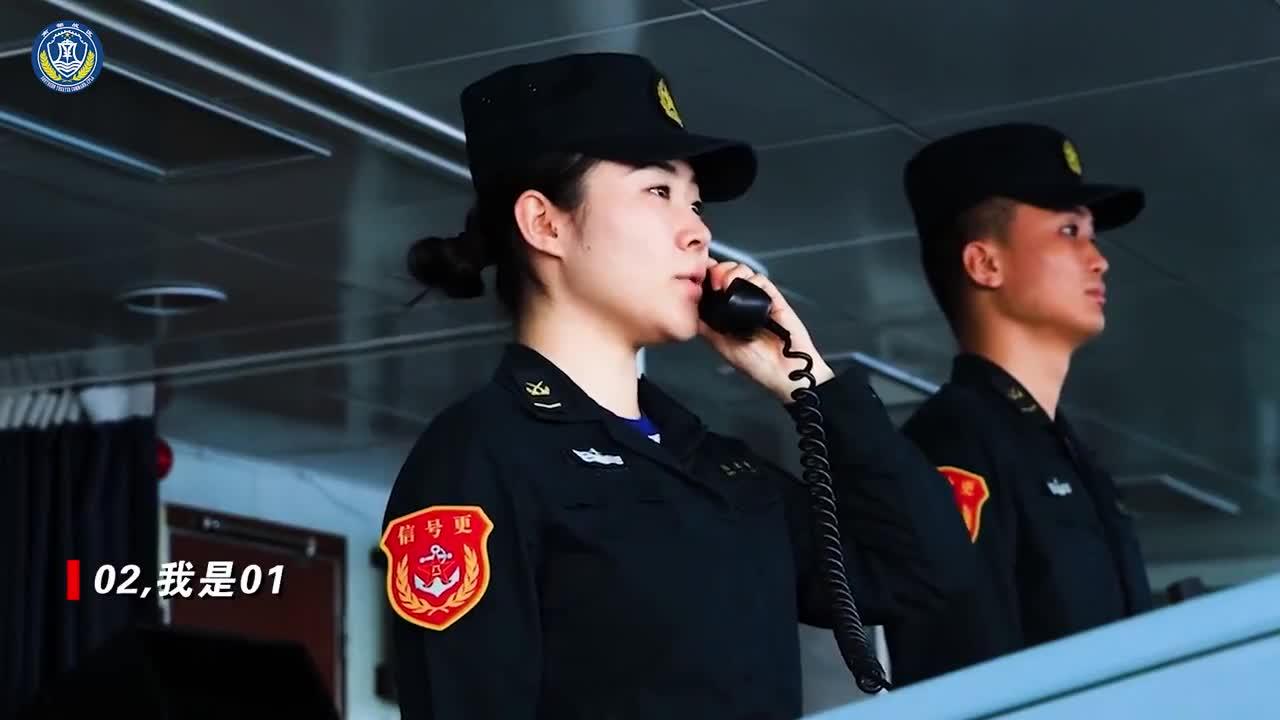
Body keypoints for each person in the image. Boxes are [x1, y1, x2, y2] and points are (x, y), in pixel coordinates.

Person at [378, 52, 976, 720]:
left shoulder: (716, 467)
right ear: (545, 223)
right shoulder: (479, 457)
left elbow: (925, 573)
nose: (698, 231)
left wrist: (810, 385)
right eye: (658, 192)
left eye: (694, 203)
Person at [886, 122, 1155, 686]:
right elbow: (962, 675)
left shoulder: (1067, 455)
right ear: (985, 264)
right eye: (1069, 231)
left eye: (1091, 235)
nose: (1098, 260)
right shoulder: (953, 446)